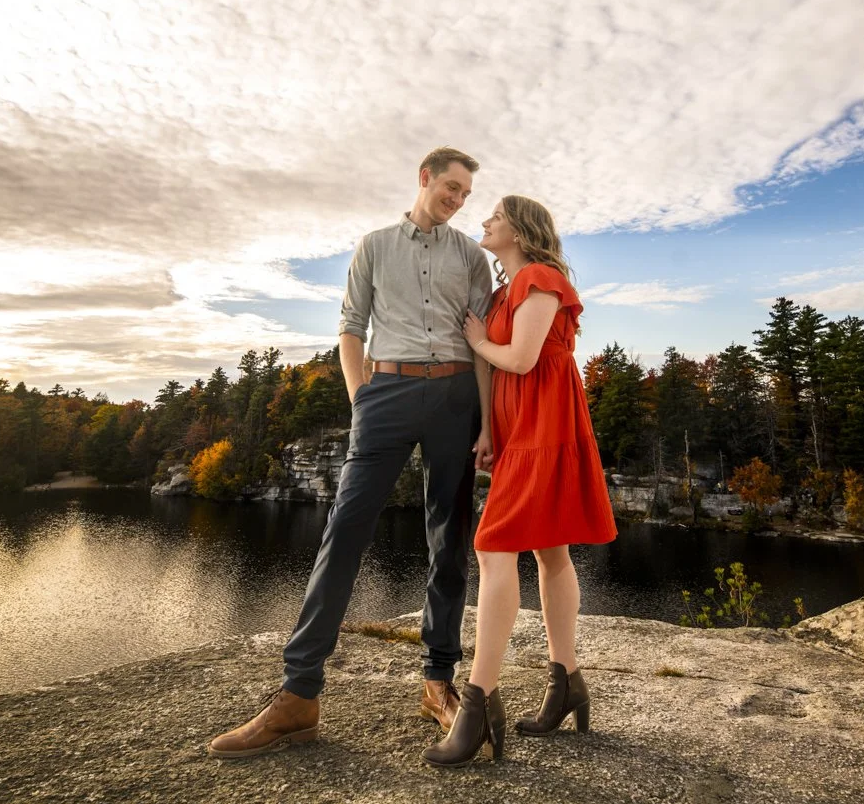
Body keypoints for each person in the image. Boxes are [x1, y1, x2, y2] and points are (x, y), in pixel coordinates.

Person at [208, 147, 495, 758]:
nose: (458, 199)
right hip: (384, 393)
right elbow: (350, 326)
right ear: (424, 178)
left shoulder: (471, 256)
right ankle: (298, 696)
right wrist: (360, 396)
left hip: (455, 396)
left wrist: (487, 421)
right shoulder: (372, 246)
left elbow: (485, 342)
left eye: (466, 193)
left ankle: (438, 681)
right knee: (344, 533)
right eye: (451, 187)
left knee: (449, 539)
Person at [422, 194, 617, 768]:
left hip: (545, 423)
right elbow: (493, 366)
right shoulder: (505, 290)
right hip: (518, 430)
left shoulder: (539, 276)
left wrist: (479, 339)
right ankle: (567, 682)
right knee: (548, 550)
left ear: (520, 228)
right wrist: (487, 429)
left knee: (492, 547)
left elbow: (525, 358)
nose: (483, 221)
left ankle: (478, 703)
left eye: (495, 216)